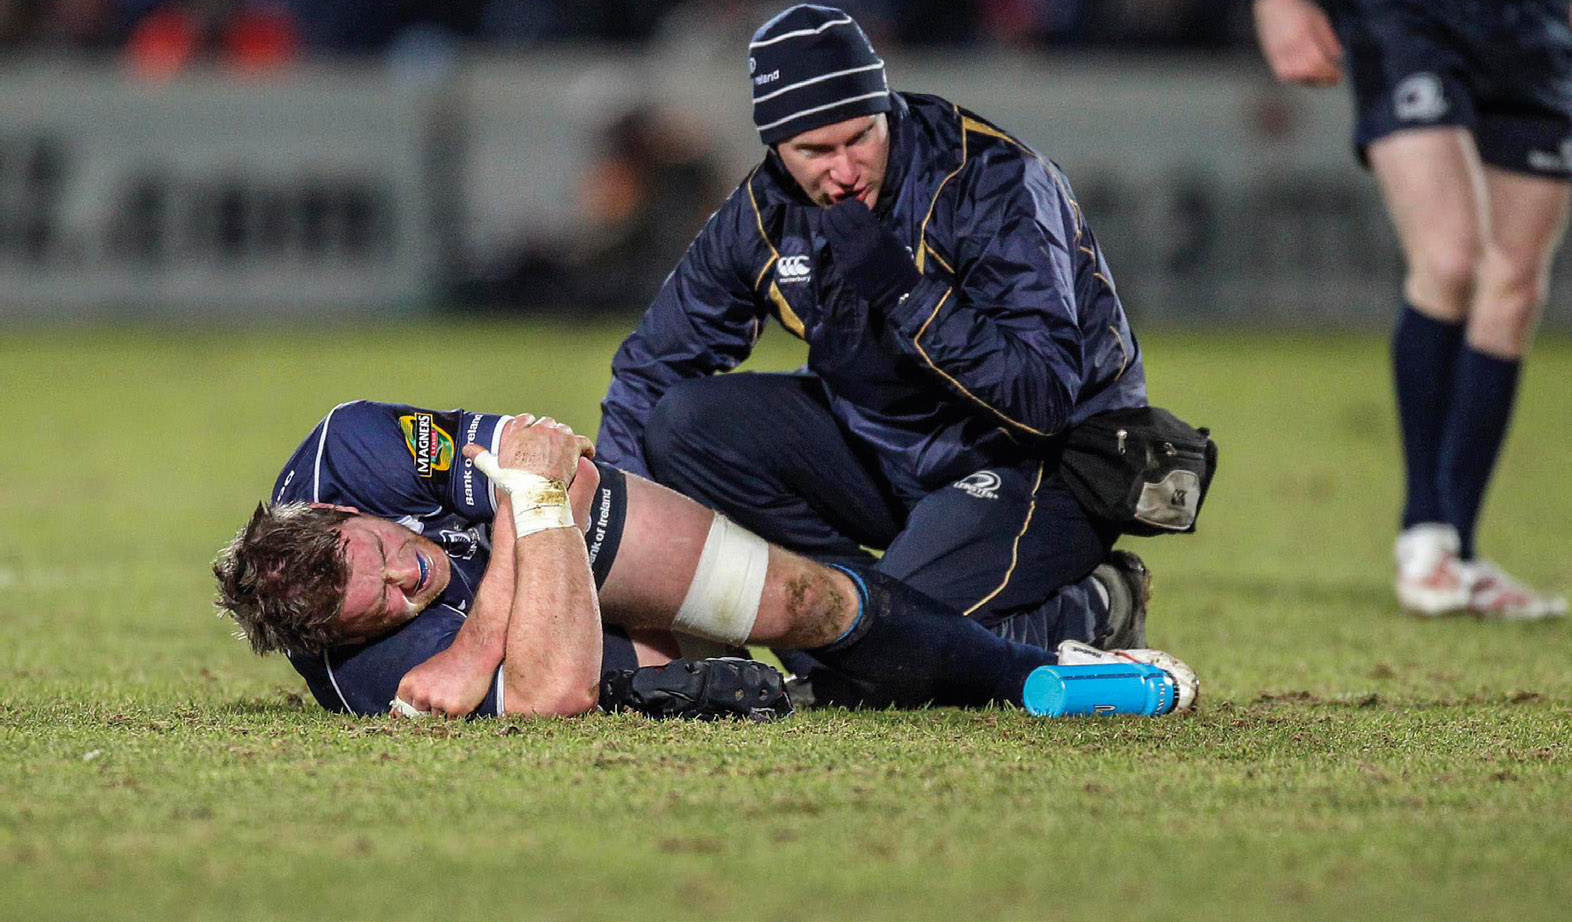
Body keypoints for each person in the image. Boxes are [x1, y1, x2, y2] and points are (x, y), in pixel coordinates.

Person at [598, 4, 1154, 666]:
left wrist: (906, 293)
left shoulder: (993, 181)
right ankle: (845, 627)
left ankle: (1098, 604)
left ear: (883, 109)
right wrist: (620, 560)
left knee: (896, 647)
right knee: (684, 424)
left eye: (859, 137)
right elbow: (650, 369)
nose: (843, 170)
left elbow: (1042, 399)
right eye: (814, 150)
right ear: (776, 147)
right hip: (891, 453)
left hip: (1038, 465)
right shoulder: (764, 210)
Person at [213, 401, 1197, 718]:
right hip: (558, 596)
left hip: (574, 532)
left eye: (381, 551)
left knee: (806, 607)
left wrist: (474, 650)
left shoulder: (354, 445)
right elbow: (555, 690)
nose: (404, 578)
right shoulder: (359, 672)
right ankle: (1075, 620)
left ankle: (1041, 662)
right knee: (680, 687)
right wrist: (525, 498)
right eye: (379, 605)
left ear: (344, 508)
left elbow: (555, 458)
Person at [1247, 0, 1569, 618]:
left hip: (1536, 8)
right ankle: (1424, 530)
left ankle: (1461, 555)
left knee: (1515, 285)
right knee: (1450, 259)